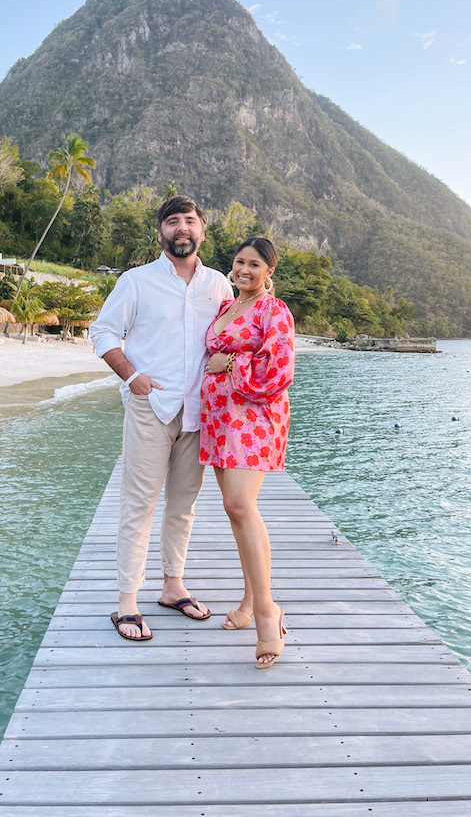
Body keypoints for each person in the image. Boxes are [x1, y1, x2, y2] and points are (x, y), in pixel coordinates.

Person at [90, 195, 233, 640]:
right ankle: (127, 603)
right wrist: (132, 377)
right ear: (161, 233)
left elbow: (232, 341)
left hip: (199, 410)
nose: (181, 229)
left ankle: (173, 587)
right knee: (139, 504)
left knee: (184, 506)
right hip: (151, 407)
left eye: (189, 221)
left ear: (202, 230)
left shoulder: (219, 286)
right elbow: (102, 331)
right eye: (172, 222)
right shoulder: (136, 281)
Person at [200, 237, 295, 667]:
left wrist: (229, 365)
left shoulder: (274, 311)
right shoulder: (226, 308)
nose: (244, 270)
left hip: (253, 416)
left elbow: (279, 368)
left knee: (241, 505)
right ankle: (247, 601)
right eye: (239, 262)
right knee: (234, 509)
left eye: (254, 264)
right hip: (220, 417)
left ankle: (267, 613)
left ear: (269, 271)